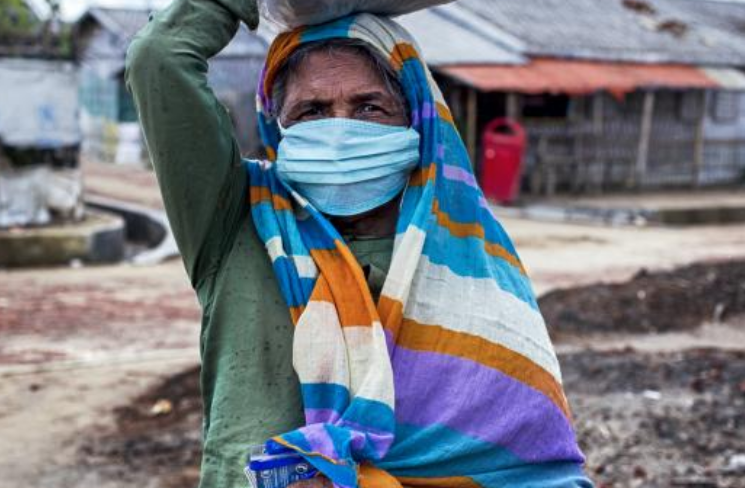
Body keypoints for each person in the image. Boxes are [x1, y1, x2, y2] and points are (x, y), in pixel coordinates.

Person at [126, 1, 593, 487]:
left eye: (369, 107)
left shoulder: (471, 275)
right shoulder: (235, 221)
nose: (339, 131)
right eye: (312, 111)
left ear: (416, 120)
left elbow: (541, 476)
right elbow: (157, 58)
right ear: (276, 128)